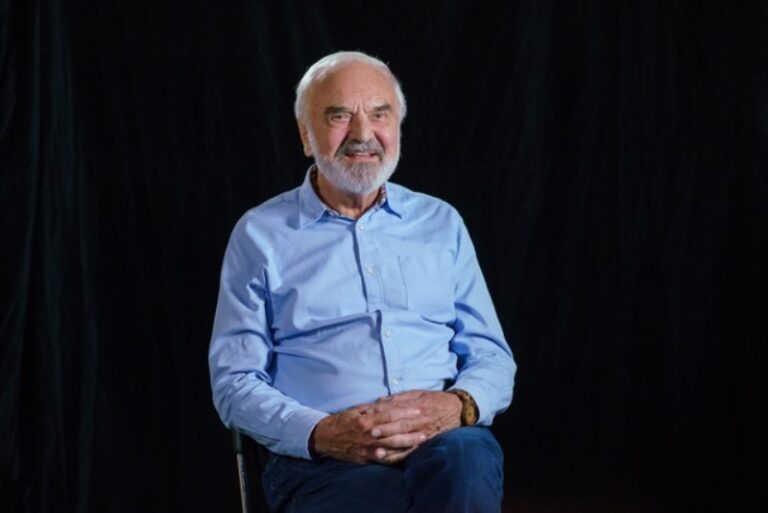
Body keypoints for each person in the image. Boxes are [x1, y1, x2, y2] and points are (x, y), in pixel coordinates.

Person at [209, 51, 516, 513]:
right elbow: (234, 382)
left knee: (467, 464)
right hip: (322, 462)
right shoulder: (259, 235)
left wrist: (459, 405)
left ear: (397, 129)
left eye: (379, 114)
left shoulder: (441, 223)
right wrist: (320, 433)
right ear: (306, 135)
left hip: (443, 446)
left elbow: (491, 356)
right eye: (339, 116)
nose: (362, 134)